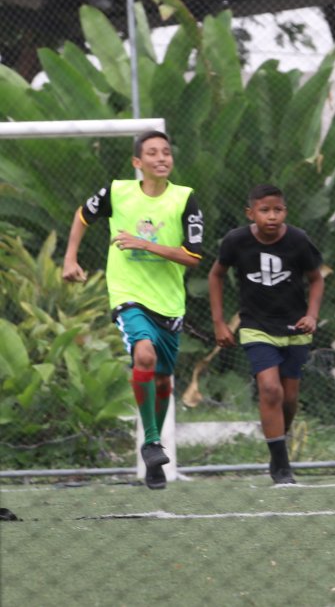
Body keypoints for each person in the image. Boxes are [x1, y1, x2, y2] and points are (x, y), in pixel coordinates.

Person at [62, 130, 204, 490]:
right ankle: (153, 443)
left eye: (167, 152)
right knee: (144, 355)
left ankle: (152, 456)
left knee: (162, 377)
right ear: (137, 163)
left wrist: (144, 243)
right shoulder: (117, 191)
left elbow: (192, 257)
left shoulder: (185, 199)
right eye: (152, 153)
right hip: (128, 295)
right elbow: (82, 215)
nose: (161, 158)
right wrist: (70, 257)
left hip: (169, 303)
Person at [208, 184, 324, 485]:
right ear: (251, 213)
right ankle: (281, 466)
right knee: (270, 390)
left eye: (278, 210)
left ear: (285, 211)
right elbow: (216, 274)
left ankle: (278, 445)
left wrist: (311, 315)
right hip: (256, 327)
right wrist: (219, 322)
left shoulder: (298, 240)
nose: (272, 216)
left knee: (289, 397)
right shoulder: (236, 241)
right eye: (264, 210)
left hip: (295, 328)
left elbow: (316, 279)